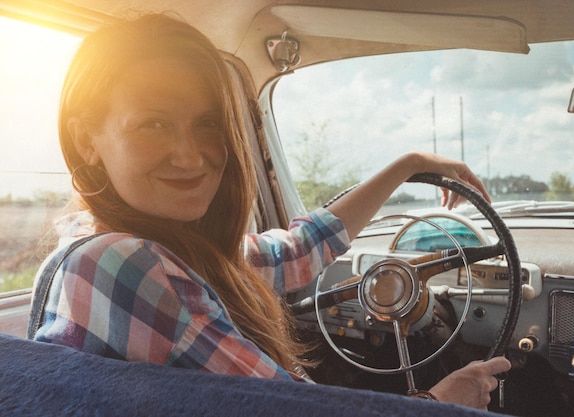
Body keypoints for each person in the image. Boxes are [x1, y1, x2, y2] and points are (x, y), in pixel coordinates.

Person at [31, 12, 510, 411]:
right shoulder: (123, 265)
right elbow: (289, 410)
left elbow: (297, 251)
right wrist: (440, 401)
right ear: (86, 140)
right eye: (153, 125)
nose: (191, 155)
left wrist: (408, 166)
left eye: (208, 124)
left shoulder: (161, 247)